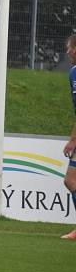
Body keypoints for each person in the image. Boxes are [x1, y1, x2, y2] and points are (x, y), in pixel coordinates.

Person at [61, 33, 76, 240]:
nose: (67, 51)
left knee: (71, 180)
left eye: (70, 47)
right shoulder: (73, 73)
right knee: (70, 180)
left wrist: (73, 140)